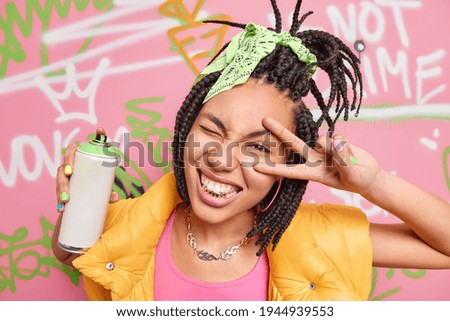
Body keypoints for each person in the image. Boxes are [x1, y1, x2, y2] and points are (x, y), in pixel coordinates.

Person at [52, 0, 450, 301]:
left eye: (258, 148)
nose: (222, 160)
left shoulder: (321, 237)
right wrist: (76, 203)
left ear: (285, 166)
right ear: (185, 130)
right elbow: (65, 253)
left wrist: (375, 184)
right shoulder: (125, 222)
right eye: (212, 130)